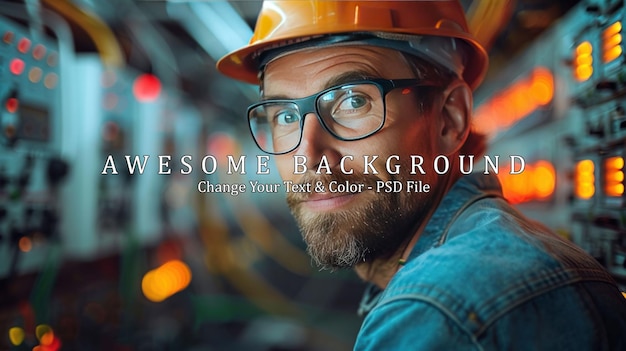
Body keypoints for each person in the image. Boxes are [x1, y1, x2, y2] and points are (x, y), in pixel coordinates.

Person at [217, 1, 626, 349]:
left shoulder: (439, 307)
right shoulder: (487, 255)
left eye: (352, 100)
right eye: (285, 115)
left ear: (449, 119)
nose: (310, 156)